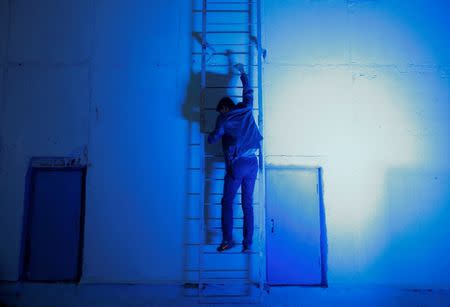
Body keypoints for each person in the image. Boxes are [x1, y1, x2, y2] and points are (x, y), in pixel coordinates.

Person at [207, 63, 263, 253]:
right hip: (253, 163)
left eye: (220, 111)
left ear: (224, 108)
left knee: (227, 202)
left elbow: (214, 138)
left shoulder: (225, 118)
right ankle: (248, 243)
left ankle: (227, 240)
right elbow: (248, 92)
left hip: (238, 164)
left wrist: (212, 133)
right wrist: (242, 73)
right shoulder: (247, 109)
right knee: (247, 203)